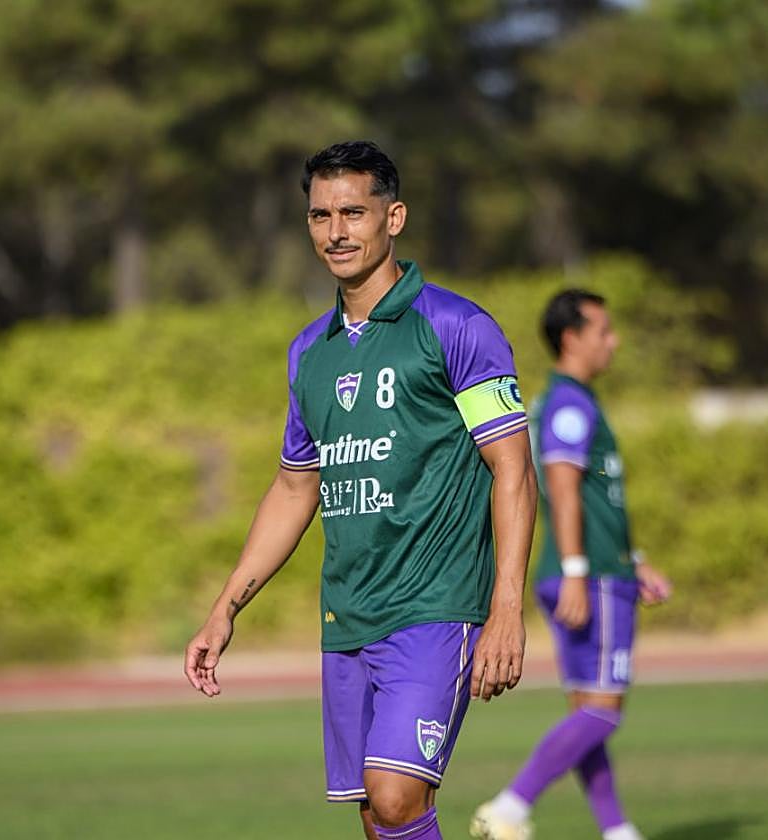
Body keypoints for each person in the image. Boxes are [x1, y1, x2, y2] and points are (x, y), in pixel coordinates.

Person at [184, 140, 538, 840]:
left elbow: (514, 470)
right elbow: (293, 489)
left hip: (434, 607)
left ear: (394, 217)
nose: (336, 232)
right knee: (377, 818)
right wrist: (225, 609)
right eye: (320, 216)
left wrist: (506, 607)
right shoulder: (308, 352)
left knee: (397, 797)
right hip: (347, 618)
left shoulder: (455, 326)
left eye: (354, 212)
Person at [470, 290, 673, 840]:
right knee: (603, 710)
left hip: (599, 570)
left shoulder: (570, 400)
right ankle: (510, 807)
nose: (615, 341)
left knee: (586, 711)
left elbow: (595, 500)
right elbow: (560, 485)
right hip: (591, 580)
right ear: (572, 338)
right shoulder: (568, 404)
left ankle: (616, 830)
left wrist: (636, 560)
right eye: (604, 331)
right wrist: (582, 571)